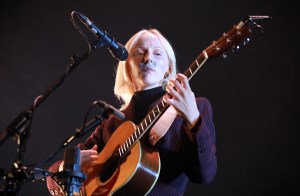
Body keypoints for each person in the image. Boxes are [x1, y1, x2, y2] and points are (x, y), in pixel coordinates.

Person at [46, 28, 217, 196]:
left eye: (157, 53)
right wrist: (67, 166)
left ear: (168, 67)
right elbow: (53, 174)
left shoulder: (196, 107)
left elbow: (204, 175)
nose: (148, 58)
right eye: (139, 53)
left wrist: (193, 119)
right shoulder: (112, 121)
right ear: (127, 68)